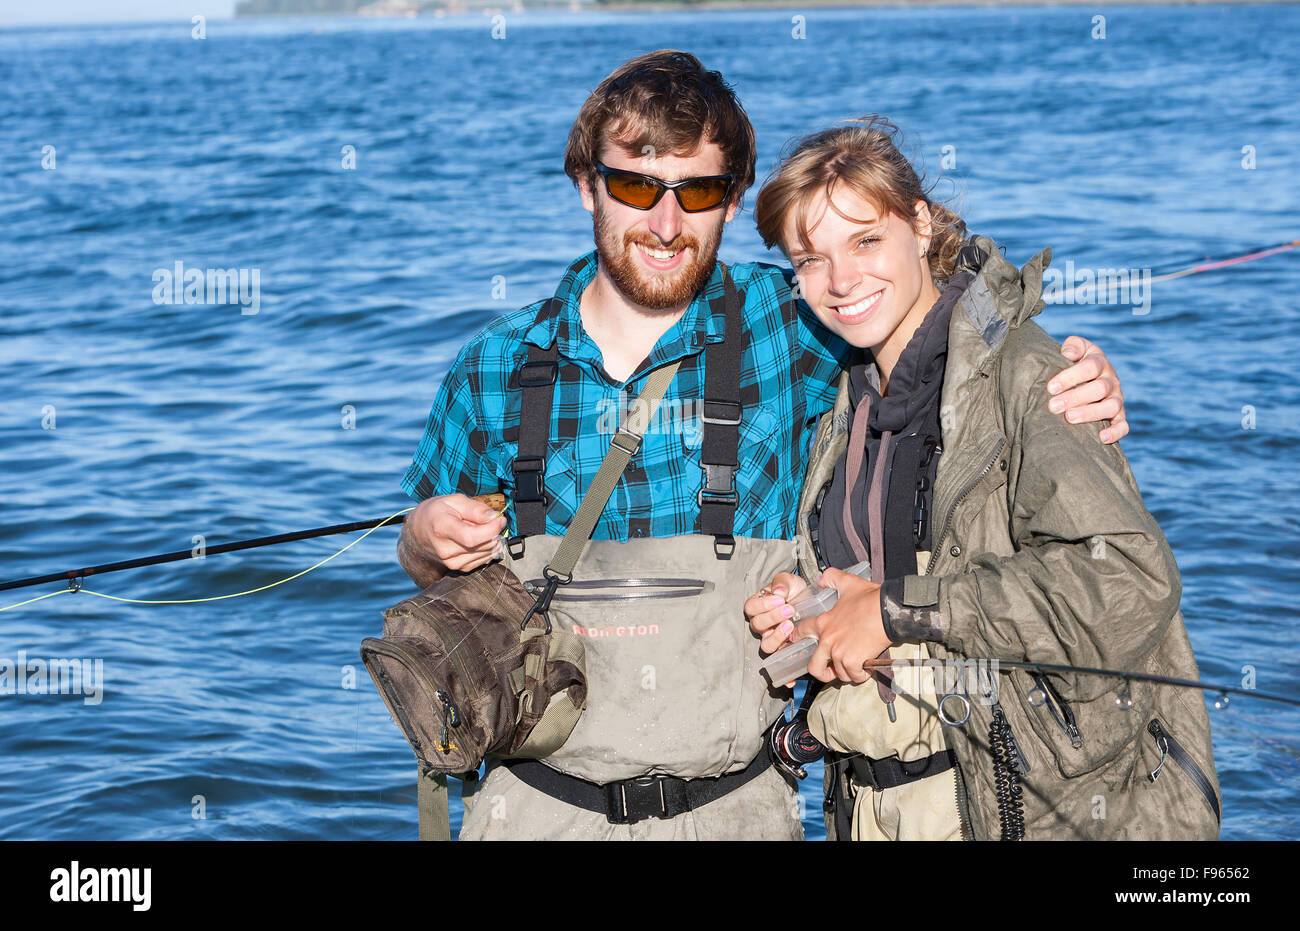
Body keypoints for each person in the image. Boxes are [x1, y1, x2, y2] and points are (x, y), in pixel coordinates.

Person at [396, 51, 1128, 840]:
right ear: (586, 184)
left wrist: (1050, 371)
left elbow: (937, 324)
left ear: (733, 202)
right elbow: (432, 576)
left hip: (737, 811)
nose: (667, 223)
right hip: (531, 811)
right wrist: (422, 537)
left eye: (698, 191)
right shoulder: (493, 366)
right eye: (637, 186)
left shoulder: (799, 325)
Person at [744, 116, 1220, 840]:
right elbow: (874, 574)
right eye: (809, 259)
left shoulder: (1030, 377)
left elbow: (1128, 581)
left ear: (921, 224)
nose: (840, 281)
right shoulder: (844, 398)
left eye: (866, 240)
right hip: (868, 809)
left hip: (1021, 810)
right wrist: (807, 599)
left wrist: (895, 610)